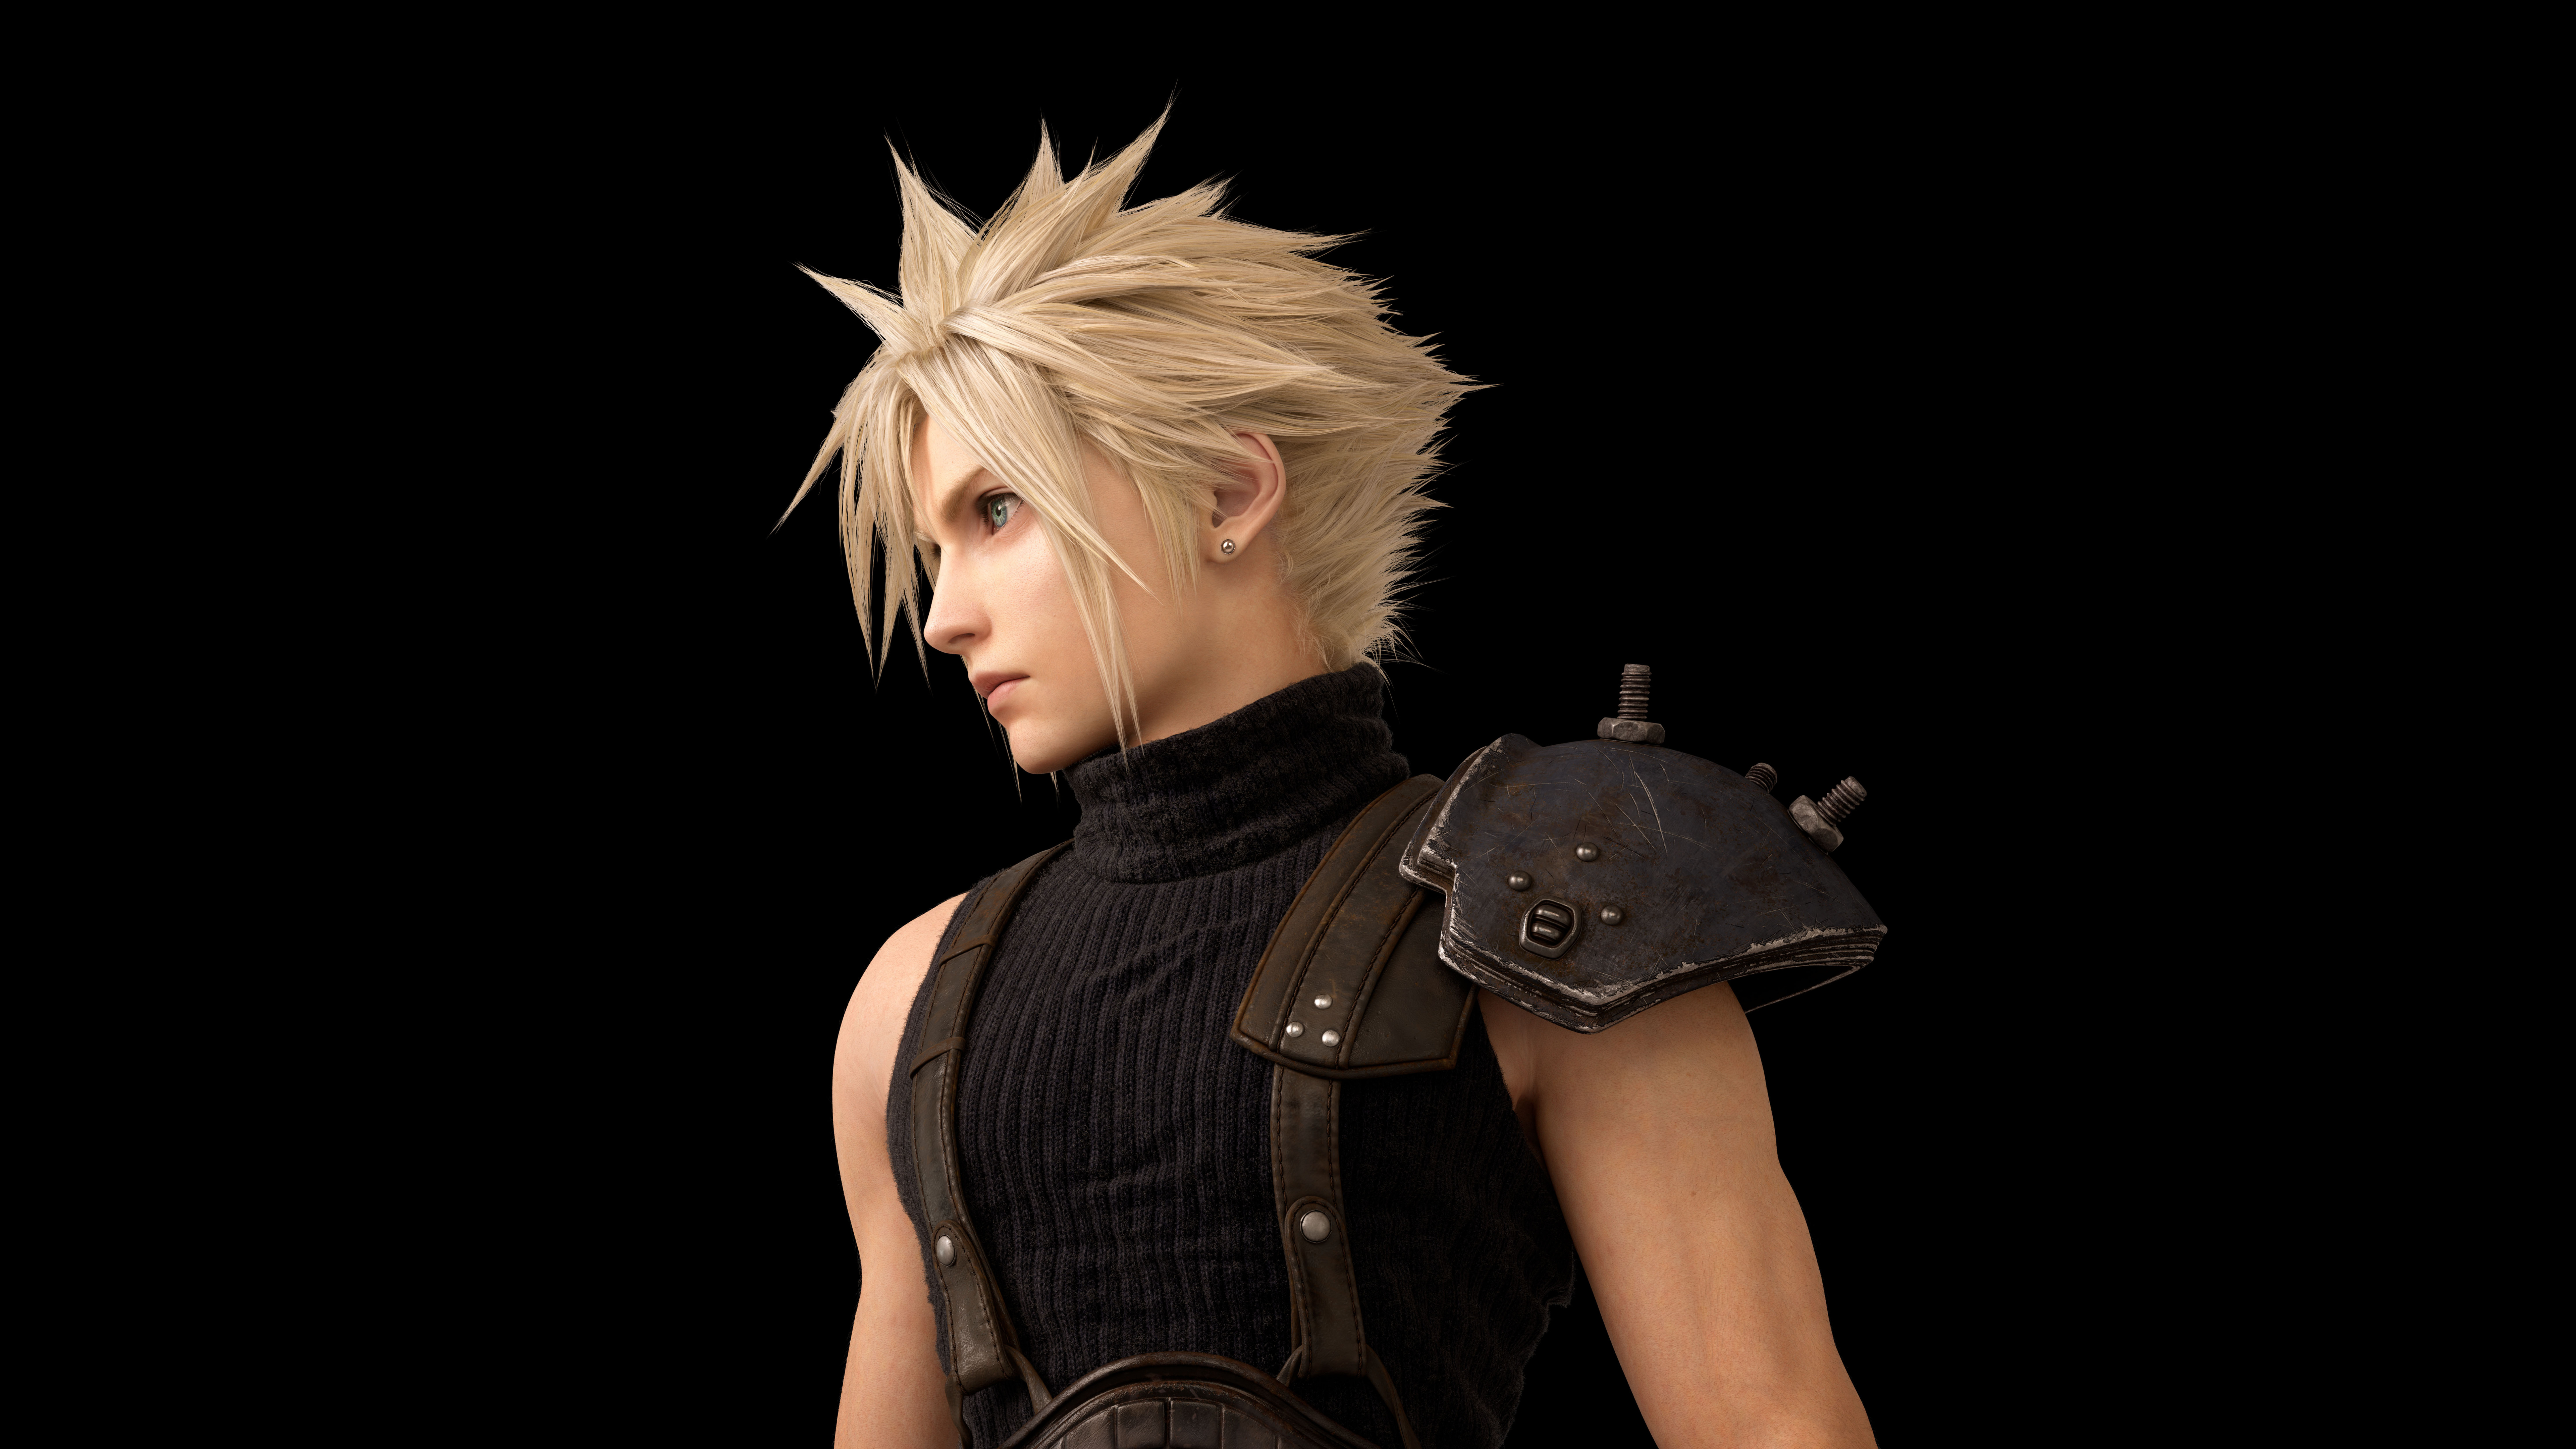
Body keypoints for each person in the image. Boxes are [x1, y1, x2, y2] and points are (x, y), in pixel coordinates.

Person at [801, 116, 1878, 1449]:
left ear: (1228, 490)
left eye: (997, 510)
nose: (942, 616)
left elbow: (1774, 1427)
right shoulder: (909, 1004)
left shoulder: (1558, 914)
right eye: (933, 547)